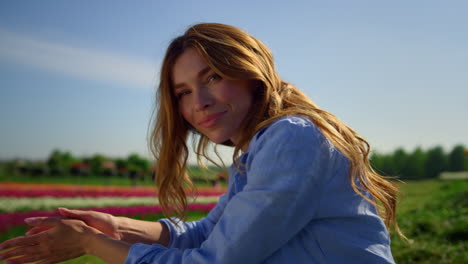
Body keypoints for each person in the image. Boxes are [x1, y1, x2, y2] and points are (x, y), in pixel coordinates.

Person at [0, 23, 404, 264]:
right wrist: (117, 226)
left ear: (250, 72)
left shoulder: (290, 138)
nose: (199, 103)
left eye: (211, 77)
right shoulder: (256, 150)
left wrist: (91, 243)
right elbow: (208, 233)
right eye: (183, 92)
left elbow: (212, 260)